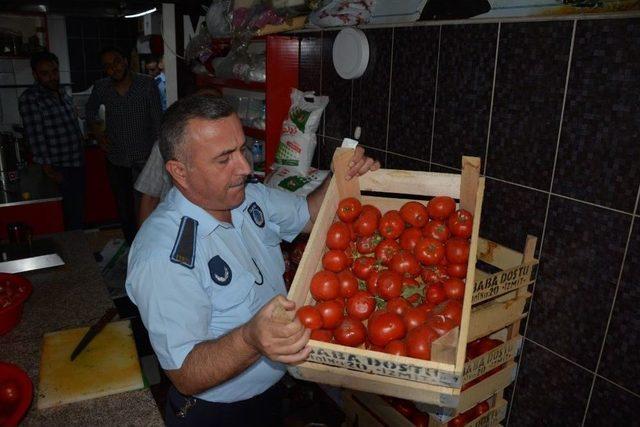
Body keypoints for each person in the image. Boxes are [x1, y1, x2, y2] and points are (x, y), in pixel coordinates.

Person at [125, 94, 379, 426]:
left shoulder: (247, 198)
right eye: (223, 159)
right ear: (179, 172)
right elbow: (185, 373)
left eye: (242, 149)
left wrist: (341, 176)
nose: (245, 168)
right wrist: (249, 339)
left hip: (271, 394)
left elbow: (309, 215)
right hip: (217, 415)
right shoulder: (162, 255)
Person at [85, 46, 163, 245]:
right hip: (116, 159)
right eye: (108, 66)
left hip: (144, 160)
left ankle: (148, 247)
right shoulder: (101, 87)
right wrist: (98, 134)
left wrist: (160, 156)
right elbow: (90, 112)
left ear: (126, 61)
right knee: (124, 210)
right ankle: (132, 248)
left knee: (146, 208)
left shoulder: (147, 84)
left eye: (117, 62)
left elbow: (157, 121)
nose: (114, 68)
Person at [18, 51, 85, 230]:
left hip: (76, 162)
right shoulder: (31, 98)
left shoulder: (61, 92)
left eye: (54, 71)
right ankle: (73, 254)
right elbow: (36, 136)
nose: (51, 77)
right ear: (35, 75)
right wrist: (50, 172)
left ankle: (79, 252)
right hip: (57, 167)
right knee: (65, 216)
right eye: (45, 73)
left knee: (76, 212)